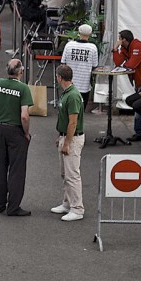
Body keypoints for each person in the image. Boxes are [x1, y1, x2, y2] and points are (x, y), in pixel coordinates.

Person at [0, 58, 33, 216]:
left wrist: (2, 113)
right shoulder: (23, 88)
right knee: (16, 169)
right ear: (21, 71)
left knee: (0, 166)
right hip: (16, 131)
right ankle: (13, 206)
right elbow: (24, 116)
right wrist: (26, 133)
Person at [50, 64, 86, 221]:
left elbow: (73, 122)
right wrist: (61, 137)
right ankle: (67, 203)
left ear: (59, 77)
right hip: (66, 136)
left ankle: (77, 209)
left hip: (72, 138)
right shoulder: (68, 93)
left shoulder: (72, 96)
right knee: (65, 174)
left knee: (72, 175)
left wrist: (67, 143)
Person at [58, 24, 98, 107]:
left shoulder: (69, 45)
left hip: (69, 83)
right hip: (84, 84)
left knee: (68, 108)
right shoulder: (92, 48)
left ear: (78, 33)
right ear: (90, 34)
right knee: (81, 110)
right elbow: (94, 65)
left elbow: (63, 62)